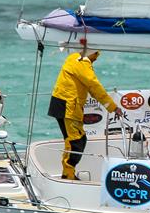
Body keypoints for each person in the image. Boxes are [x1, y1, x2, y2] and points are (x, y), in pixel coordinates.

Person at [48, 48, 123, 180]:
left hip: (66, 105)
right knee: (75, 142)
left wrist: (111, 107)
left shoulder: (75, 58)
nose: (96, 58)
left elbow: (91, 88)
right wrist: (113, 107)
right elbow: (95, 86)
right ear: (90, 51)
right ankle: (68, 176)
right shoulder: (82, 62)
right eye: (96, 54)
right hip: (67, 106)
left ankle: (68, 173)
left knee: (78, 140)